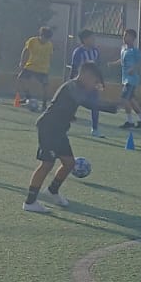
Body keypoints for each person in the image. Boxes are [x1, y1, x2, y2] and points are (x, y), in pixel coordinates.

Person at [22, 61, 103, 213]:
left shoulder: (77, 88)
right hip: (49, 128)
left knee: (69, 163)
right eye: (94, 81)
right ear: (85, 75)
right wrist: (111, 106)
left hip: (59, 130)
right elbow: (86, 102)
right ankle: (30, 202)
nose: (94, 84)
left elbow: (64, 105)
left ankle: (52, 191)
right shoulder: (72, 86)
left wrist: (69, 116)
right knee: (47, 164)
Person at [69, 30, 105, 137]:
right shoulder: (78, 52)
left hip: (92, 84)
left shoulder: (95, 51)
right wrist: (71, 82)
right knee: (72, 105)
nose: (94, 40)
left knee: (95, 105)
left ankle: (95, 129)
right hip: (80, 84)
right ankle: (65, 124)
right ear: (85, 40)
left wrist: (100, 82)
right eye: (92, 38)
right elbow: (74, 68)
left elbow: (98, 68)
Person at [17, 25, 54, 106]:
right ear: (41, 35)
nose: (46, 40)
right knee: (21, 79)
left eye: (48, 38)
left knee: (45, 85)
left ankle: (44, 103)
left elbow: (50, 56)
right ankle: (28, 97)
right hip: (31, 65)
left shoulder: (49, 44)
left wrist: (48, 67)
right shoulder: (32, 41)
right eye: (45, 38)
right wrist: (22, 62)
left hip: (43, 69)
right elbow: (25, 51)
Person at [118, 28, 141, 128]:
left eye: (127, 36)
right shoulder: (123, 49)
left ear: (133, 38)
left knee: (124, 98)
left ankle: (130, 121)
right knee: (131, 99)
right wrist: (113, 63)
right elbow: (122, 60)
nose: (124, 37)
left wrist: (133, 68)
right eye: (124, 35)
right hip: (125, 78)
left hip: (131, 79)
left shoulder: (134, 51)